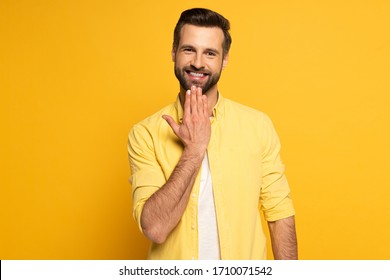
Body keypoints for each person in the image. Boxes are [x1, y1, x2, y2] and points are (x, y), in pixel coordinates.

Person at [128, 8, 297, 260]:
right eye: (188, 50)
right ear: (173, 52)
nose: (198, 62)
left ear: (224, 59)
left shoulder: (257, 126)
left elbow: (279, 214)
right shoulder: (145, 133)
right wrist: (194, 150)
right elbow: (155, 228)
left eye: (210, 53)